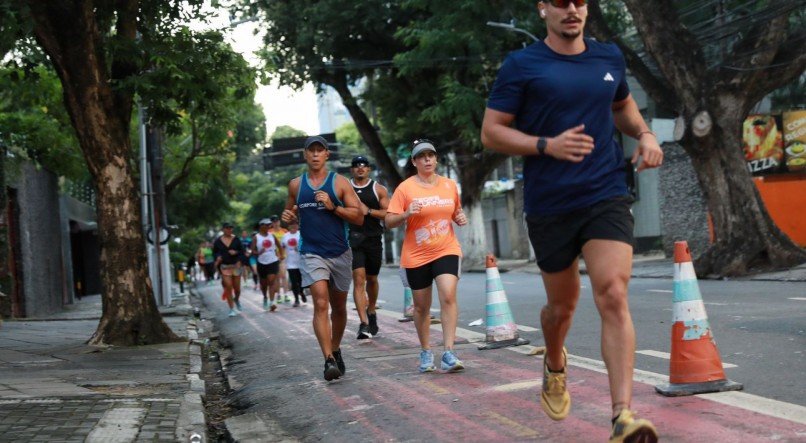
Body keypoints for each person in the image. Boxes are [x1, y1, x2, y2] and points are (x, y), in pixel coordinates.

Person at [480, 1, 663, 441]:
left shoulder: (608, 56)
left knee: (614, 293)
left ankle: (622, 414)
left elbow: (621, 105)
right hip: (550, 204)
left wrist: (645, 133)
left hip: (605, 194)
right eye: (561, 2)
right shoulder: (522, 65)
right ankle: (555, 359)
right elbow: (491, 131)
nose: (572, 9)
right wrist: (546, 145)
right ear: (543, 8)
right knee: (561, 308)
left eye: (579, 1)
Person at [281, 135, 363, 381]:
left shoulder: (339, 183)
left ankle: (335, 348)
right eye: (311, 151)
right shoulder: (296, 185)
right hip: (311, 252)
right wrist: (286, 220)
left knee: (338, 306)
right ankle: (328, 360)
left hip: (340, 252)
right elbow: (288, 216)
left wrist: (333, 206)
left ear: (327, 154)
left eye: (320, 151)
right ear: (305, 155)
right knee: (320, 303)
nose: (315, 155)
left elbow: (358, 217)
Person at [385, 139, 468, 374]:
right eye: (421, 157)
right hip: (417, 255)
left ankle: (449, 352)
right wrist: (405, 214)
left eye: (431, 155)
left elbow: (455, 211)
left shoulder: (450, 185)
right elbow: (389, 221)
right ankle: (425, 350)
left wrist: (459, 218)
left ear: (436, 158)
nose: (427, 160)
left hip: (446, 248)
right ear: (414, 162)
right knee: (421, 307)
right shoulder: (405, 188)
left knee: (448, 294)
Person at [348, 155, 390, 339]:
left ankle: (371, 310)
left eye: (363, 165)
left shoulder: (378, 189)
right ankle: (363, 323)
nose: (360, 168)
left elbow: (388, 214)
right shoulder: (345, 188)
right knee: (359, 279)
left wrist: (369, 211)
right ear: (352, 170)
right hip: (353, 239)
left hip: (373, 239)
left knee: (372, 279)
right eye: (356, 166)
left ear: (369, 169)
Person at [213, 222, 245, 317]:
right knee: (228, 286)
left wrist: (236, 253)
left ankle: (237, 299)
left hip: (235, 266)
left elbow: (242, 252)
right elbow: (215, 253)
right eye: (227, 228)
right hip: (225, 267)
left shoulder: (236, 239)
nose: (229, 230)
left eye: (231, 228)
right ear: (223, 229)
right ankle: (231, 309)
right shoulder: (218, 241)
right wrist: (218, 257)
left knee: (237, 289)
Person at [252, 218, 283, 311]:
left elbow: (279, 246)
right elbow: (252, 250)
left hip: (273, 261)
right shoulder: (256, 237)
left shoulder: (272, 236)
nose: (268, 226)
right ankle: (265, 296)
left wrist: (281, 255)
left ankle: (272, 302)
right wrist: (258, 252)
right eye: (266, 225)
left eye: (269, 225)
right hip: (261, 262)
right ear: (261, 226)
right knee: (264, 284)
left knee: (271, 281)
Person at [281, 220, 306, 306]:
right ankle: (296, 300)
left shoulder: (301, 234)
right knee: (294, 282)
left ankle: (301, 292)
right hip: (290, 263)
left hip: (301, 262)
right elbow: (282, 247)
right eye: (292, 225)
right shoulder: (285, 236)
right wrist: (281, 256)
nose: (294, 227)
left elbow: (306, 245)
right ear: (289, 227)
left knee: (301, 281)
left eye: (295, 225)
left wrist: (300, 247)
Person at [270, 215, 291, 303]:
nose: (275, 223)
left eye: (277, 221)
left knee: (283, 275)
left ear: (279, 221)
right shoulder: (269, 232)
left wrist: (283, 254)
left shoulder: (285, 231)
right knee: (277, 277)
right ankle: (278, 295)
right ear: (271, 223)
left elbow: (287, 244)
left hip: (283, 257)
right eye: (273, 221)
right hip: (273, 257)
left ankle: (286, 294)